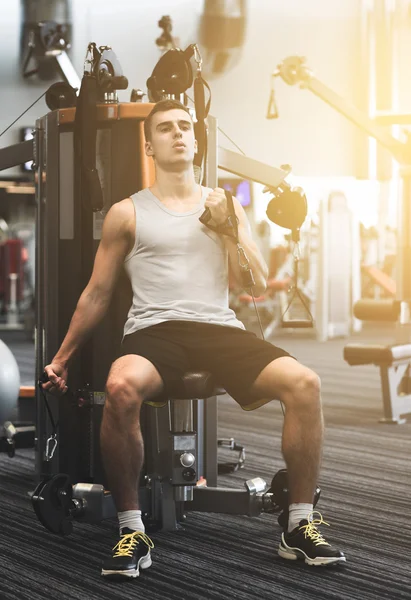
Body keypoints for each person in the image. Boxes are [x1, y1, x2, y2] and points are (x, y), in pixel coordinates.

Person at [41, 99, 346, 578]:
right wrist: (61, 358)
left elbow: (254, 283)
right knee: (121, 387)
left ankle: (299, 525)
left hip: (218, 327)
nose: (178, 133)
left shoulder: (225, 204)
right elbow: (97, 294)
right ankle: (131, 529)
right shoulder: (128, 212)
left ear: (197, 141)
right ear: (149, 144)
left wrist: (230, 229)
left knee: (305, 382)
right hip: (155, 329)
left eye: (186, 126)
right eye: (165, 128)